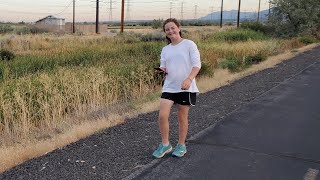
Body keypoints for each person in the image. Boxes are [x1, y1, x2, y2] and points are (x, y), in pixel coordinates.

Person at [152, 18, 201, 158]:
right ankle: (166, 144)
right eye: (167, 29)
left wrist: (189, 78)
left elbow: (197, 65)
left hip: (186, 87)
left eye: (172, 28)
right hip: (169, 86)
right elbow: (164, 66)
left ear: (179, 28)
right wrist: (161, 70)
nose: (170, 31)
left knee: (182, 117)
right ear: (165, 33)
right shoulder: (165, 49)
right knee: (162, 116)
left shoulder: (189, 44)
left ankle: (181, 145)